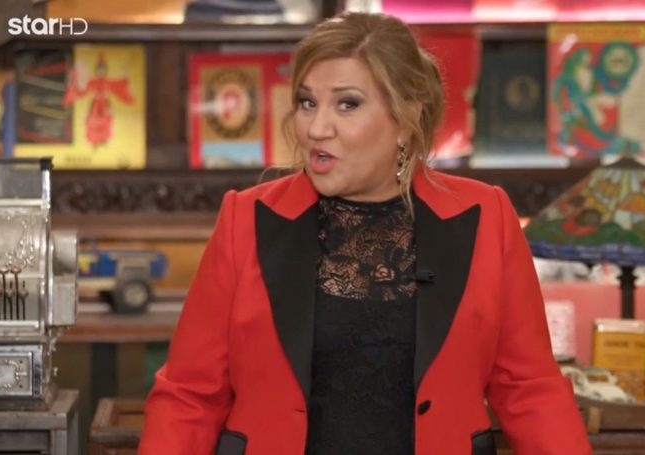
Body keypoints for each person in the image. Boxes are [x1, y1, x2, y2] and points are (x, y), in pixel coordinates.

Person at [140, 12, 592, 455]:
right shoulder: (246, 218)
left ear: (406, 117)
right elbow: (190, 396)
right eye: (307, 103)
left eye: (347, 104)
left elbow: (529, 388)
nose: (317, 129)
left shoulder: (485, 216)